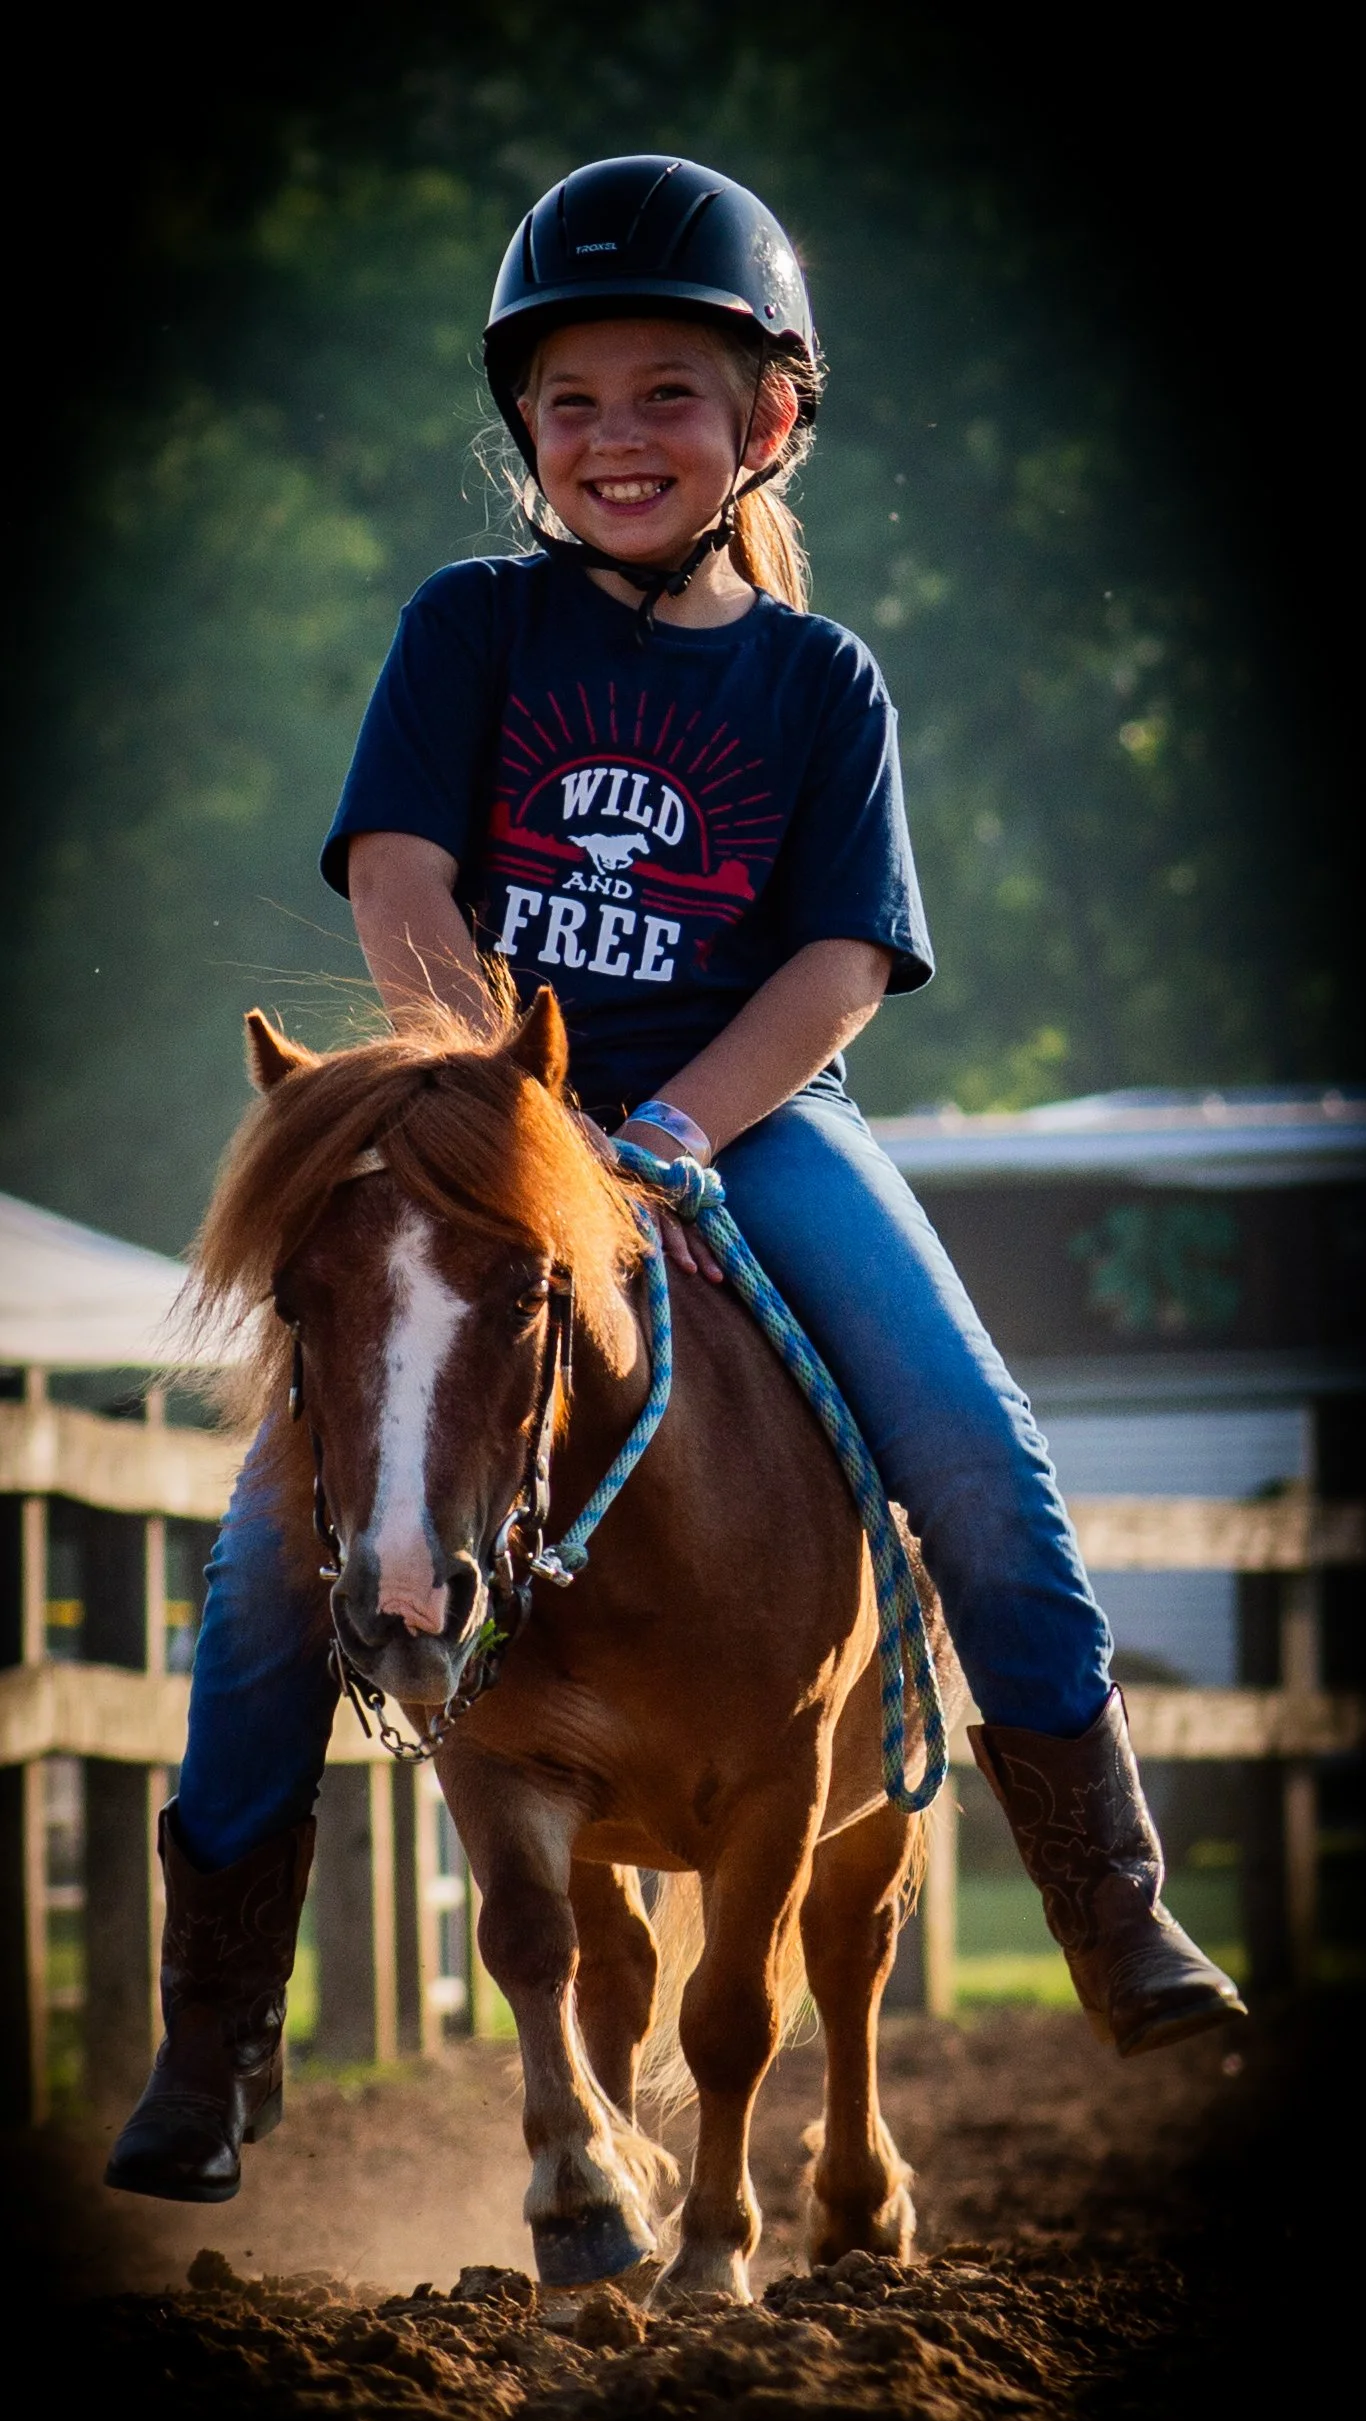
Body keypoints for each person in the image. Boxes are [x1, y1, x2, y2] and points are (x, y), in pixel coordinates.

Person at [107, 156, 1243, 2206]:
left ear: (766, 423)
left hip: (740, 1119)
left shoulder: (822, 684)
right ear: (522, 433)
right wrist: (491, 1107)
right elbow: (399, 874)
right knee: (277, 1546)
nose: (616, 438)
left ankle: (1110, 1900)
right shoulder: (472, 624)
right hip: (484, 1120)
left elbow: (833, 964)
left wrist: (680, 1128)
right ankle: (215, 2031)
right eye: (571, 405)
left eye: (667, 395)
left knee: (981, 1456)